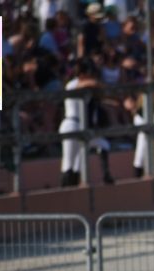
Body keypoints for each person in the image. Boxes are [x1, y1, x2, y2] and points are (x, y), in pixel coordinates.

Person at [58, 57, 113, 186]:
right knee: (68, 163)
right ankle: (64, 192)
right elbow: (89, 84)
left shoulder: (87, 87)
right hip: (71, 124)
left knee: (82, 160)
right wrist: (97, 83)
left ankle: (105, 176)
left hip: (82, 127)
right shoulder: (72, 84)